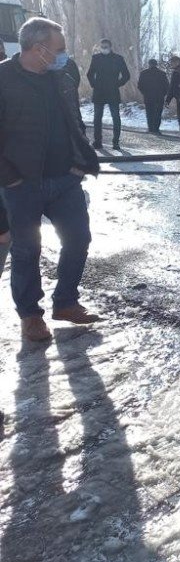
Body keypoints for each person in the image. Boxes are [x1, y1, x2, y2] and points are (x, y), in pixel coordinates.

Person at [0, 18, 102, 342]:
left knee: (78, 239)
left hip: (65, 180)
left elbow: (75, 122)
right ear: (37, 48)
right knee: (27, 250)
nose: (63, 55)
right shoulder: (3, 78)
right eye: (58, 49)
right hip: (22, 184)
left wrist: (80, 162)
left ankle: (66, 302)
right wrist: (10, 179)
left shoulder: (62, 77)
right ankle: (30, 315)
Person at [86, 38, 131, 150]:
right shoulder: (96, 58)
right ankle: (97, 141)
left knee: (115, 117)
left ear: (110, 47)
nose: (103, 49)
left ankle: (116, 142)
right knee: (97, 118)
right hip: (99, 91)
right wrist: (94, 84)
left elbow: (126, 75)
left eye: (106, 47)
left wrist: (117, 84)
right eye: (102, 46)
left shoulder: (118, 59)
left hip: (112, 91)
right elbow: (89, 74)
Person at [138, 58, 170, 134]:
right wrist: (163, 94)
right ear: (156, 64)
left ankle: (150, 128)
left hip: (148, 96)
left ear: (149, 64)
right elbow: (167, 86)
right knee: (158, 113)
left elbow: (140, 86)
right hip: (159, 97)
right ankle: (156, 128)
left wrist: (144, 93)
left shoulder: (143, 73)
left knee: (149, 112)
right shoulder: (162, 74)